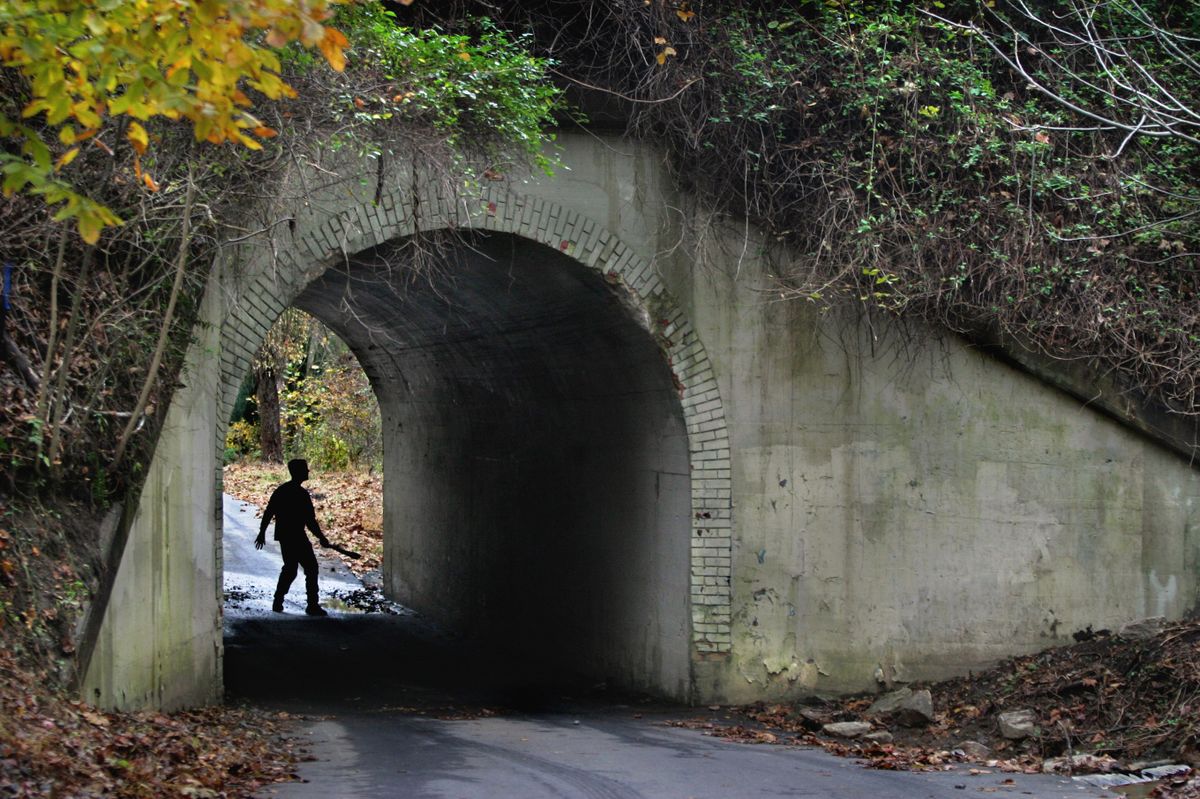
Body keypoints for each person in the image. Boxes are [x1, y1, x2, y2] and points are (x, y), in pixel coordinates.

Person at [255, 458, 330, 616]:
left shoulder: (281, 490)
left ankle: (278, 600)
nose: (308, 471)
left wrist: (262, 532)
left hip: (284, 536)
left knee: (290, 569)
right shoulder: (301, 495)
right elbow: (310, 521)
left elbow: (269, 512)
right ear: (299, 472)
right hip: (296, 536)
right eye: (305, 469)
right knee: (311, 568)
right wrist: (321, 537)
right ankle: (312, 605)